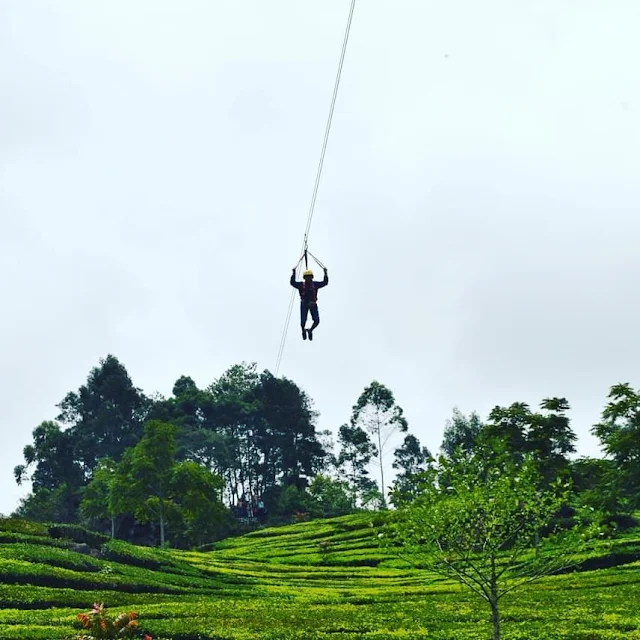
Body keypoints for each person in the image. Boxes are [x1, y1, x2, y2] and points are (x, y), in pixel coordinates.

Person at [290, 266, 328, 341]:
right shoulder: (301, 285)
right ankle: (303, 330)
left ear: (312, 277)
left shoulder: (315, 284)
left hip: (312, 304)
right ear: (304, 278)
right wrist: (293, 273)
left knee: (316, 321)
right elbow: (293, 283)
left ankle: (310, 330)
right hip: (304, 304)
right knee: (303, 321)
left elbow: (325, 282)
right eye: (307, 277)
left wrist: (325, 273)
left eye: (310, 277)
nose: (308, 279)